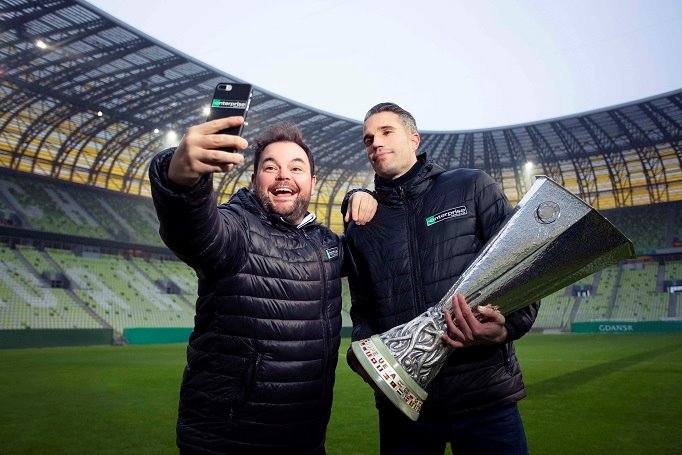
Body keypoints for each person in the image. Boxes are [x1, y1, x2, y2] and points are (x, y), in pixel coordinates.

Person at [149, 115, 376, 454]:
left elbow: (381, 257)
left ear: (312, 182)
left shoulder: (328, 247)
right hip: (227, 442)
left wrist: (362, 195)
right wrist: (181, 178)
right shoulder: (235, 230)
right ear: (255, 179)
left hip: (306, 441)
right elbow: (193, 229)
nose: (284, 174)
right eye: (271, 167)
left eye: (296, 168)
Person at [344, 102, 540, 454]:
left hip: (485, 396)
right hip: (404, 405)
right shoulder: (362, 224)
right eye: (368, 138)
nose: (375, 142)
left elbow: (522, 263)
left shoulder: (471, 186)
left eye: (386, 132)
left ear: (414, 139)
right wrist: (367, 353)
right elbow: (363, 309)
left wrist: (507, 327)